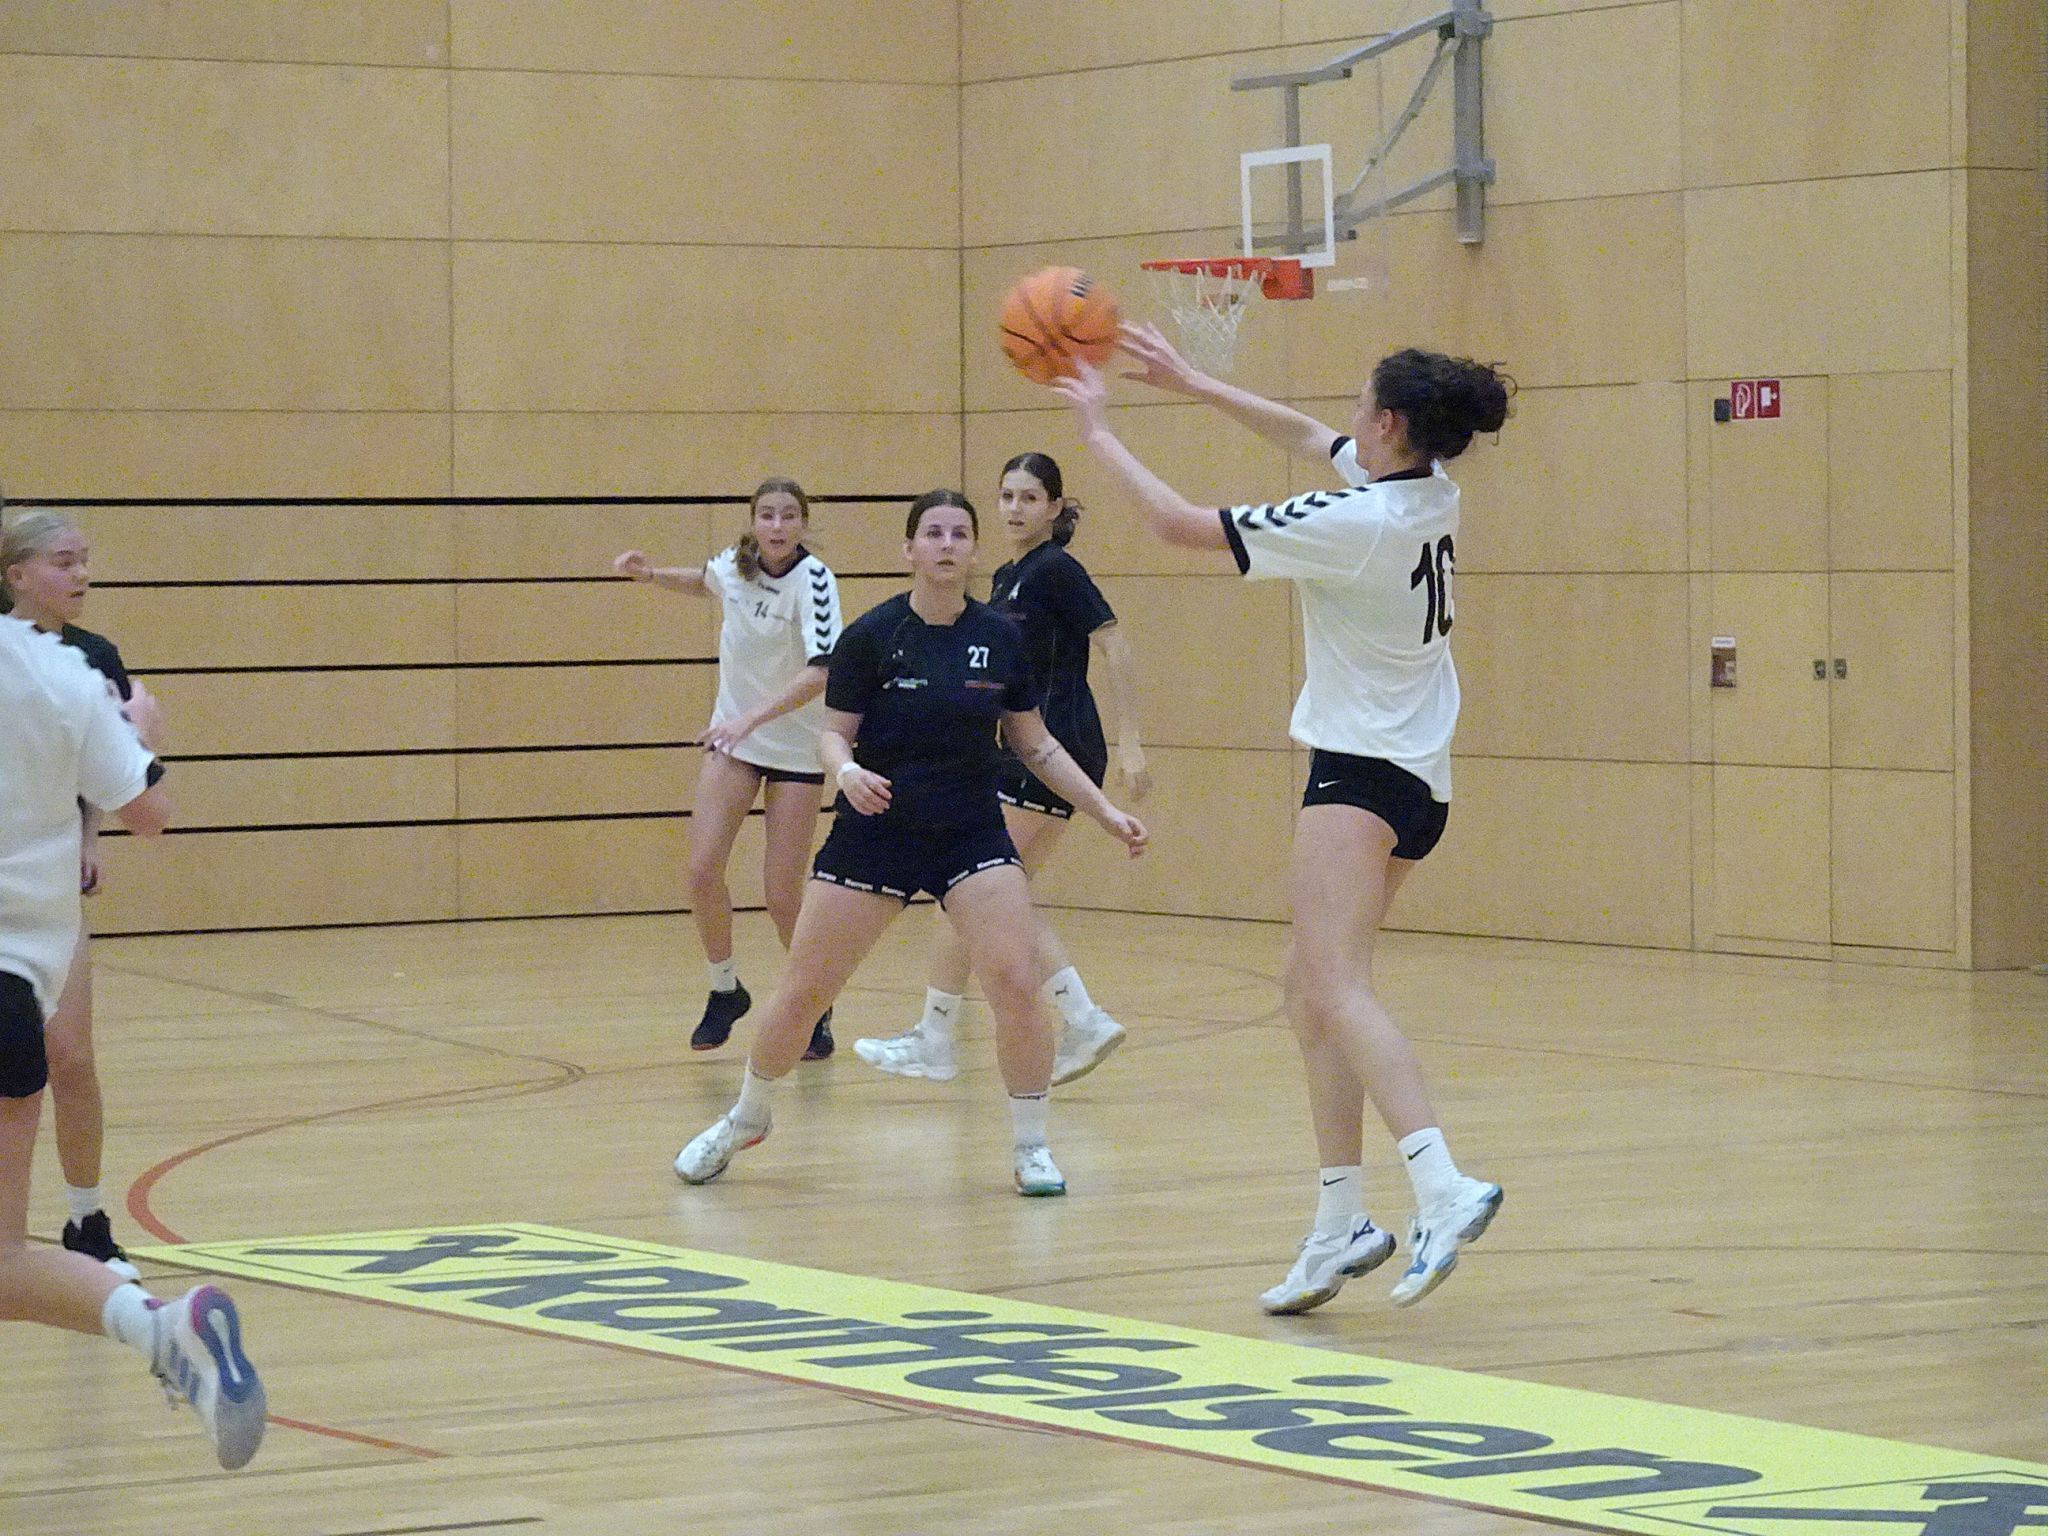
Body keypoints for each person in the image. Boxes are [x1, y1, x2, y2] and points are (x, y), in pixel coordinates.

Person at [1053, 326, 1510, 1311]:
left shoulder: (1355, 523)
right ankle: (1340, 1221)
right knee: (1309, 990)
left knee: (1335, 987)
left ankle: (1440, 1184)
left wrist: (1097, 432)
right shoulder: (1431, 492)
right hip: (1418, 781)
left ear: (1388, 423)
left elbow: (1177, 524)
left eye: (1362, 404)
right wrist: (1193, 383)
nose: (1348, 416)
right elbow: (1306, 437)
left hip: (1357, 777)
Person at [673, 490, 1147, 1196]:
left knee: (1016, 982)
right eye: (933, 533)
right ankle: (747, 1117)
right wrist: (847, 771)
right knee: (804, 992)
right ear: (910, 550)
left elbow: (1035, 743)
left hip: (970, 833)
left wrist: (1104, 810)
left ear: (974, 549)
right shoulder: (873, 635)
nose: (946, 544)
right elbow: (833, 735)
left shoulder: (1000, 637)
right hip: (877, 831)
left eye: (959, 533)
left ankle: (1031, 1146)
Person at [0, 587, 267, 1469]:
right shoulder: (62, 670)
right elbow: (149, 814)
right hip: (14, 994)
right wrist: (136, 734)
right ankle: (162, 1328)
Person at [854, 453, 1149, 1087]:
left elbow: (1115, 644)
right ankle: (1082, 1019)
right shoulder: (1009, 575)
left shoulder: (1055, 569)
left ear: (1053, 507)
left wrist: (1130, 740)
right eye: (1007, 496)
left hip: (1051, 746)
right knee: (997, 897)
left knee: (966, 889)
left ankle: (940, 1037)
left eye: (1029, 497)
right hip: (1020, 749)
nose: (1015, 508)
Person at [614, 478, 843, 1060]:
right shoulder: (737, 566)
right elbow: (704, 581)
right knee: (700, 869)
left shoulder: (815, 581)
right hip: (734, 742)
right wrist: (650, 574)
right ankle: (725, 990)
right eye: (767, 515)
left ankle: (814, 1006)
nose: (777, 526)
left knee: (781, 894)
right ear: (753, 521)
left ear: (803, 523)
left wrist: (751, 718)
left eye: (788, 515)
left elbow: (822, 671)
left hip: (793, 749)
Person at [0, 510, 143, 1277]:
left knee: (71, 1055)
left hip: (43, 896)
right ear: (17, 574)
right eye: (64, 561)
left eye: (84, 559)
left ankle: (87, 1220)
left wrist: (89, 836)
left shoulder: (93, 657)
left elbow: (112, 768)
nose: (81, 574)